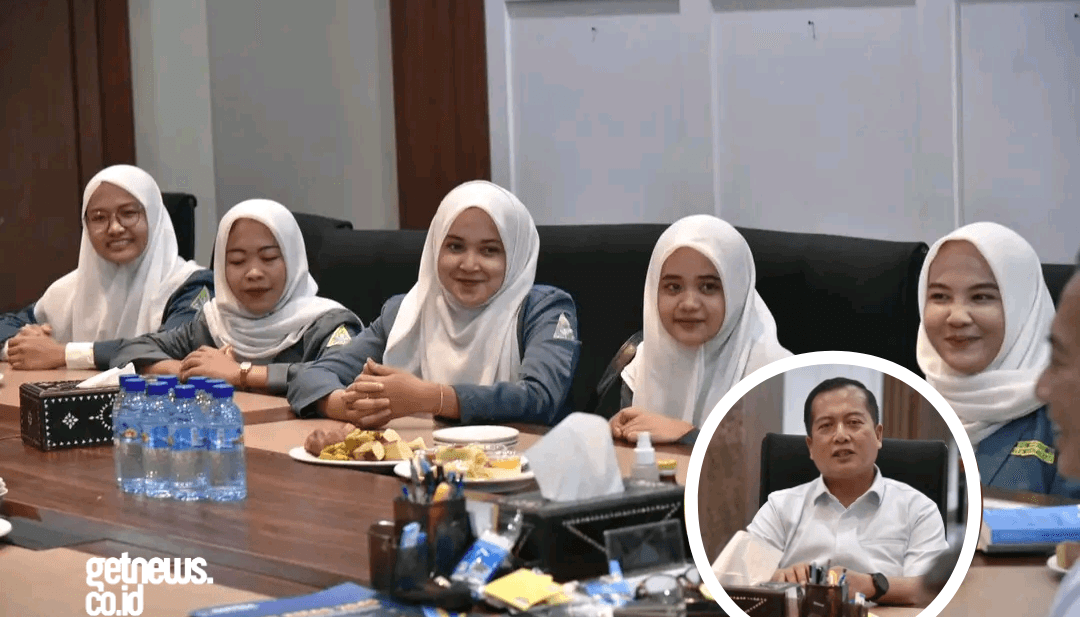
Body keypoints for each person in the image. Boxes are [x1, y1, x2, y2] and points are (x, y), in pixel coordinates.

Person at [853, 262, 1080, 617]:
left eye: (1061, 360)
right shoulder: (908, 398)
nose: (1044, 387)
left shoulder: (1047, 426)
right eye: (939, 296)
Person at [287, 180, 580, 427]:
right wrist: (348, 407)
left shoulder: (544, 310)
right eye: (454, 247)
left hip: (519, 464)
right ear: (434, 248)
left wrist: (430, 397)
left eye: (490, 251)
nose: (469, 264)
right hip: (415, 464)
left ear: (516, 255)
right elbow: (309, 376)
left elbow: (541, 398)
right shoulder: (406, 311)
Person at [110, 199, 361, 394]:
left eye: (269, 258)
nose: (253, 273)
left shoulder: (327, 324)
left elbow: (341, 372)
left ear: (293, 261)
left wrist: (240, 373)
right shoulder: (215, 323)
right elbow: (130, 351)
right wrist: (187, 370)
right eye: (238, 261)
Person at [747, 377, 949, 606]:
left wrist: (872, 585)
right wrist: (777, 578)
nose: (841, 436)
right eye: (826, 426)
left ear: (878, 435)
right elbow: (739, 574)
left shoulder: (919, 508)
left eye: (853, 422)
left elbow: (931, 588)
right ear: (810, 447)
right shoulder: (780, 507)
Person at [917, 222, 1080, 496]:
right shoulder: (909, 399)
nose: (957, 317)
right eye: (940, 296)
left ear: (1022, 308)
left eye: (981, 297)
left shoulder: (1067, 411)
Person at [1, 165, 212, 370]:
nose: (115, 228)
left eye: (128, 213)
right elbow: (6, 325)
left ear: (153, 217)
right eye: (99, 218)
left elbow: (174, 347)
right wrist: (21, 347)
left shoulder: (192, 284)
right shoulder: (69, 288)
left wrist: (64, 354)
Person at [609, 215, 792, 445]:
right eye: (673, 287)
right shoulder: (642, 363)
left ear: (737, 292)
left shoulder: (777, 374)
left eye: (708, 287)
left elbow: (779, 461)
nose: (689, 304)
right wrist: (615, 434)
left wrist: (688, 435)